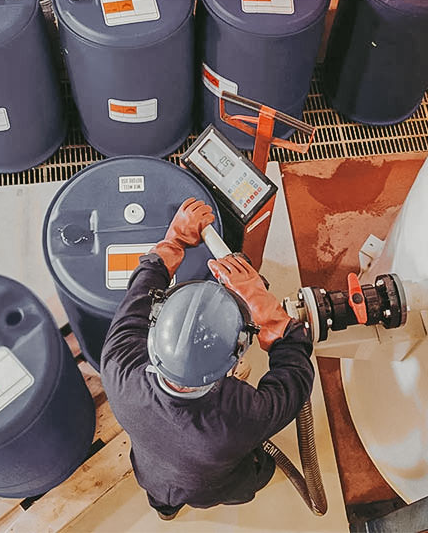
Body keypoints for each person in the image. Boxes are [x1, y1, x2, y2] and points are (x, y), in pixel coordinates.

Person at [100, 197, 315, 520]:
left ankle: (166, 511)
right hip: (212, 488)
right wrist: (269, 313)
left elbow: (139, 295)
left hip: (153, 475)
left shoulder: (119, 369)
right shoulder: (237, 417)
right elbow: (295, 379)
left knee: (162, 496)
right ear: (234, 361)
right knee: (256, 473)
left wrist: (173, 243)